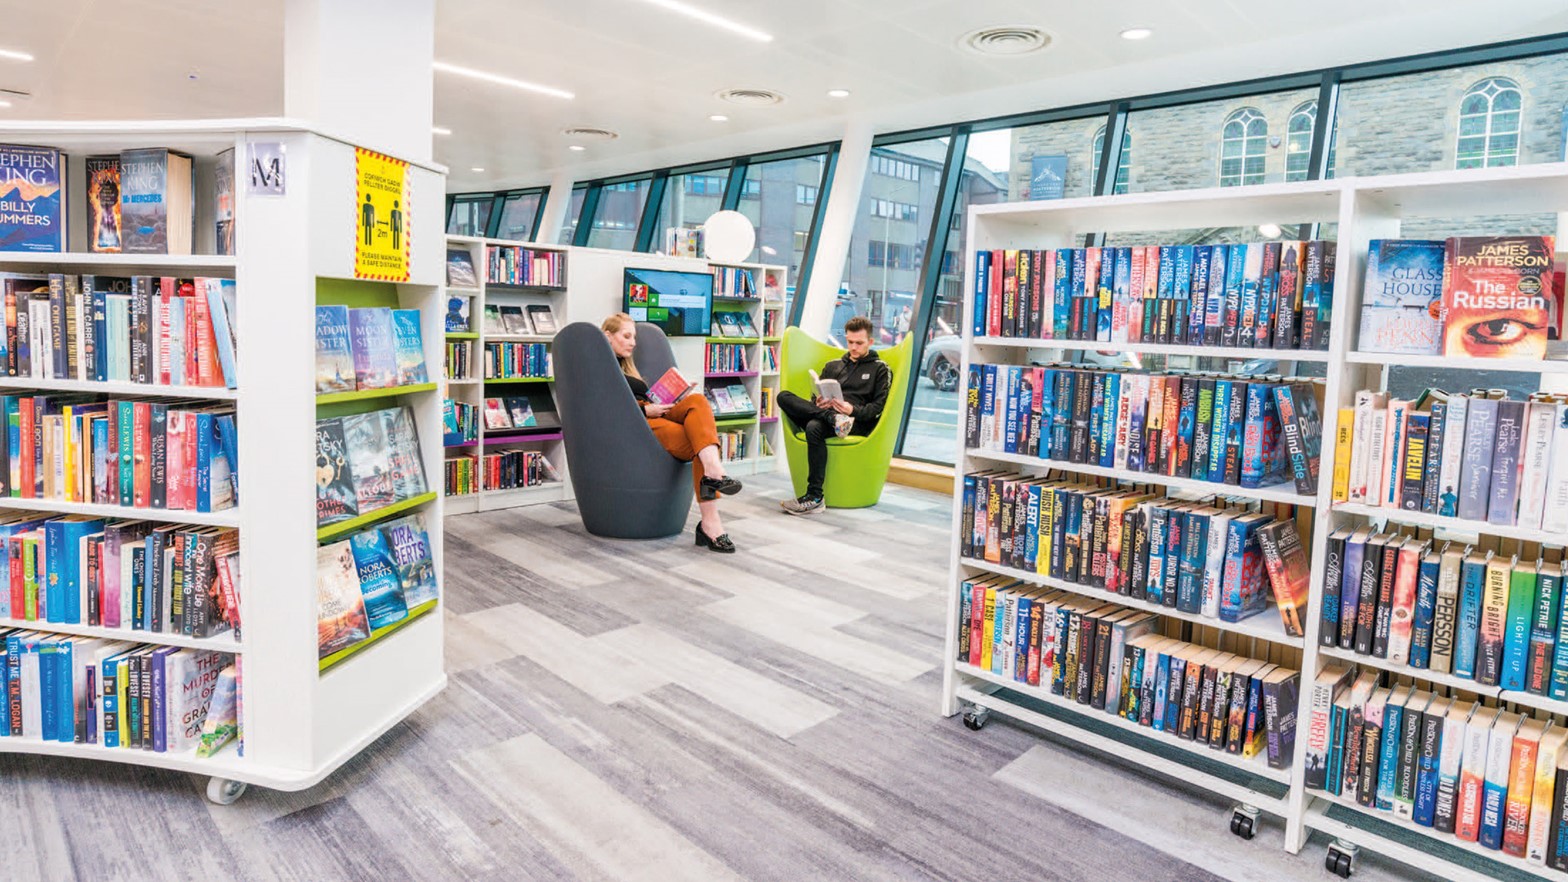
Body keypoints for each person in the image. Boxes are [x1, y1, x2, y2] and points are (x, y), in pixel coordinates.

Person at [602, 314, 743, 552]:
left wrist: (673, 397)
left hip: (655, 412)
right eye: (626, 336)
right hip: (637, 424)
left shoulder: (628, 368)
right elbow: (607, 404)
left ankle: (712, 469)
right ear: (607, 337)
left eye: (634, 336)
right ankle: (711, 523)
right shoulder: (601, 369)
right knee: (697, 441)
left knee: (697, 401)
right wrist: (646, 410)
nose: (633, 342)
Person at [775, 315, 892, 515]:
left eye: (859, 343)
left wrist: (851, 410)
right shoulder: (833, 365)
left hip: (854, 422)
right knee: (783, 396)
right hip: (828, 416)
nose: (853, 347)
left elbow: (877, 409)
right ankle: (830, 417)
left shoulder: (880, 369)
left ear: (870, 342)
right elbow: (816, 394)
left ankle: (814, 496)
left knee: (814, 426)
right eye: (850, 342)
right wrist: (818, 403)